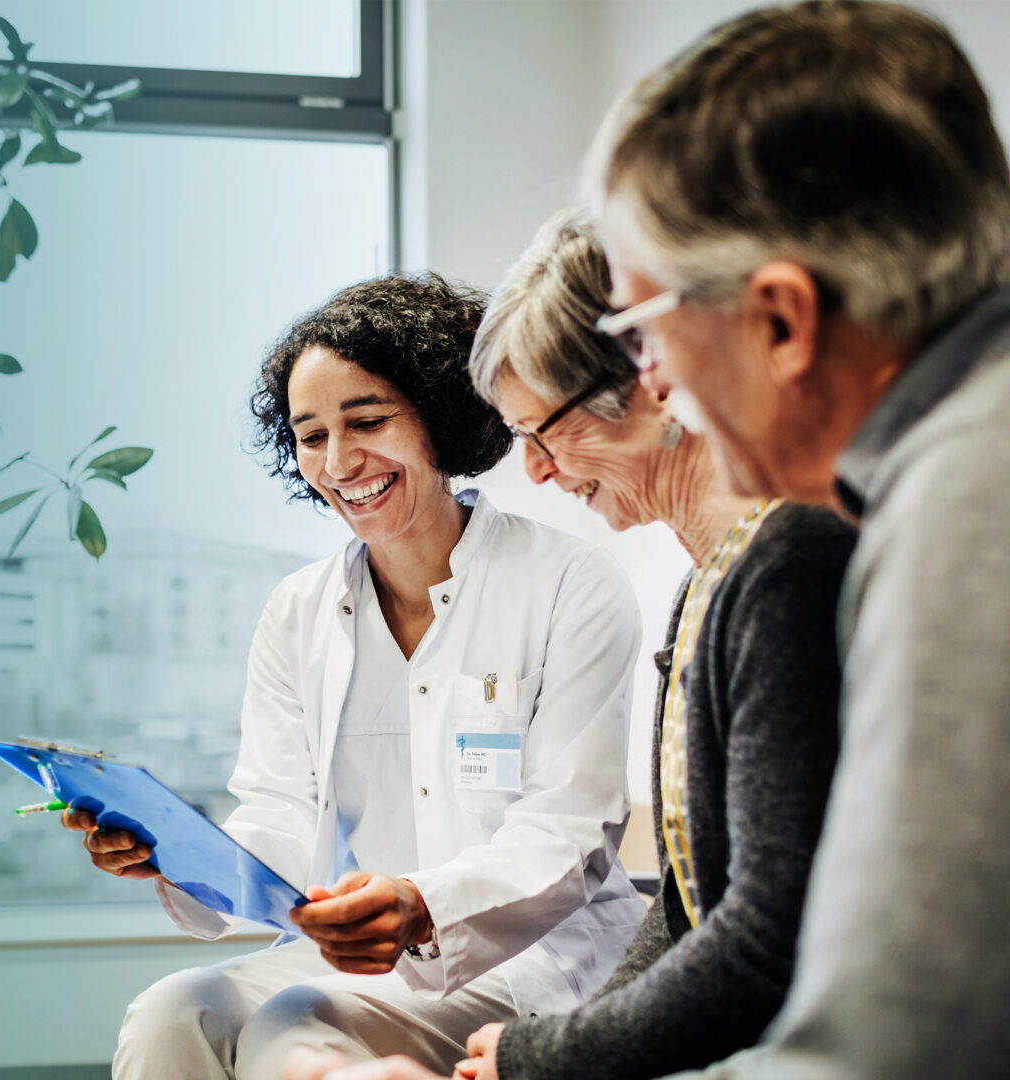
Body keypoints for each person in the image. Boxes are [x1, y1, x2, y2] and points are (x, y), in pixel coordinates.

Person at [296, 4, 1010, 1079]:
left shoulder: (956, 508)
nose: (656, 383)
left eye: (643, 333)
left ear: (778, 320)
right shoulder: (928, 479)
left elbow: (890, 1036)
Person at [66, 274, 648, 1079]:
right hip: (357, 963)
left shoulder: (568, 584)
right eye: (310, 436)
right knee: (173, 1012)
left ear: (441, 421)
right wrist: (172, 852)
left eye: (367, 421)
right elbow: (276, 813)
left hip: (535, 959)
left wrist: (420, 905)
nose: (340, 462)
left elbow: (568, 833)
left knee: (294, 1026)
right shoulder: (297, 610)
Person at [421, 211, 855, 1080]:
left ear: (655, 377)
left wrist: (548, 1057)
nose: (537, 471)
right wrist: (564, 1047)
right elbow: (690, 904)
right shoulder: (706, 582)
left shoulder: (792, 562)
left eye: (543, 433)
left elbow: (767, 937)